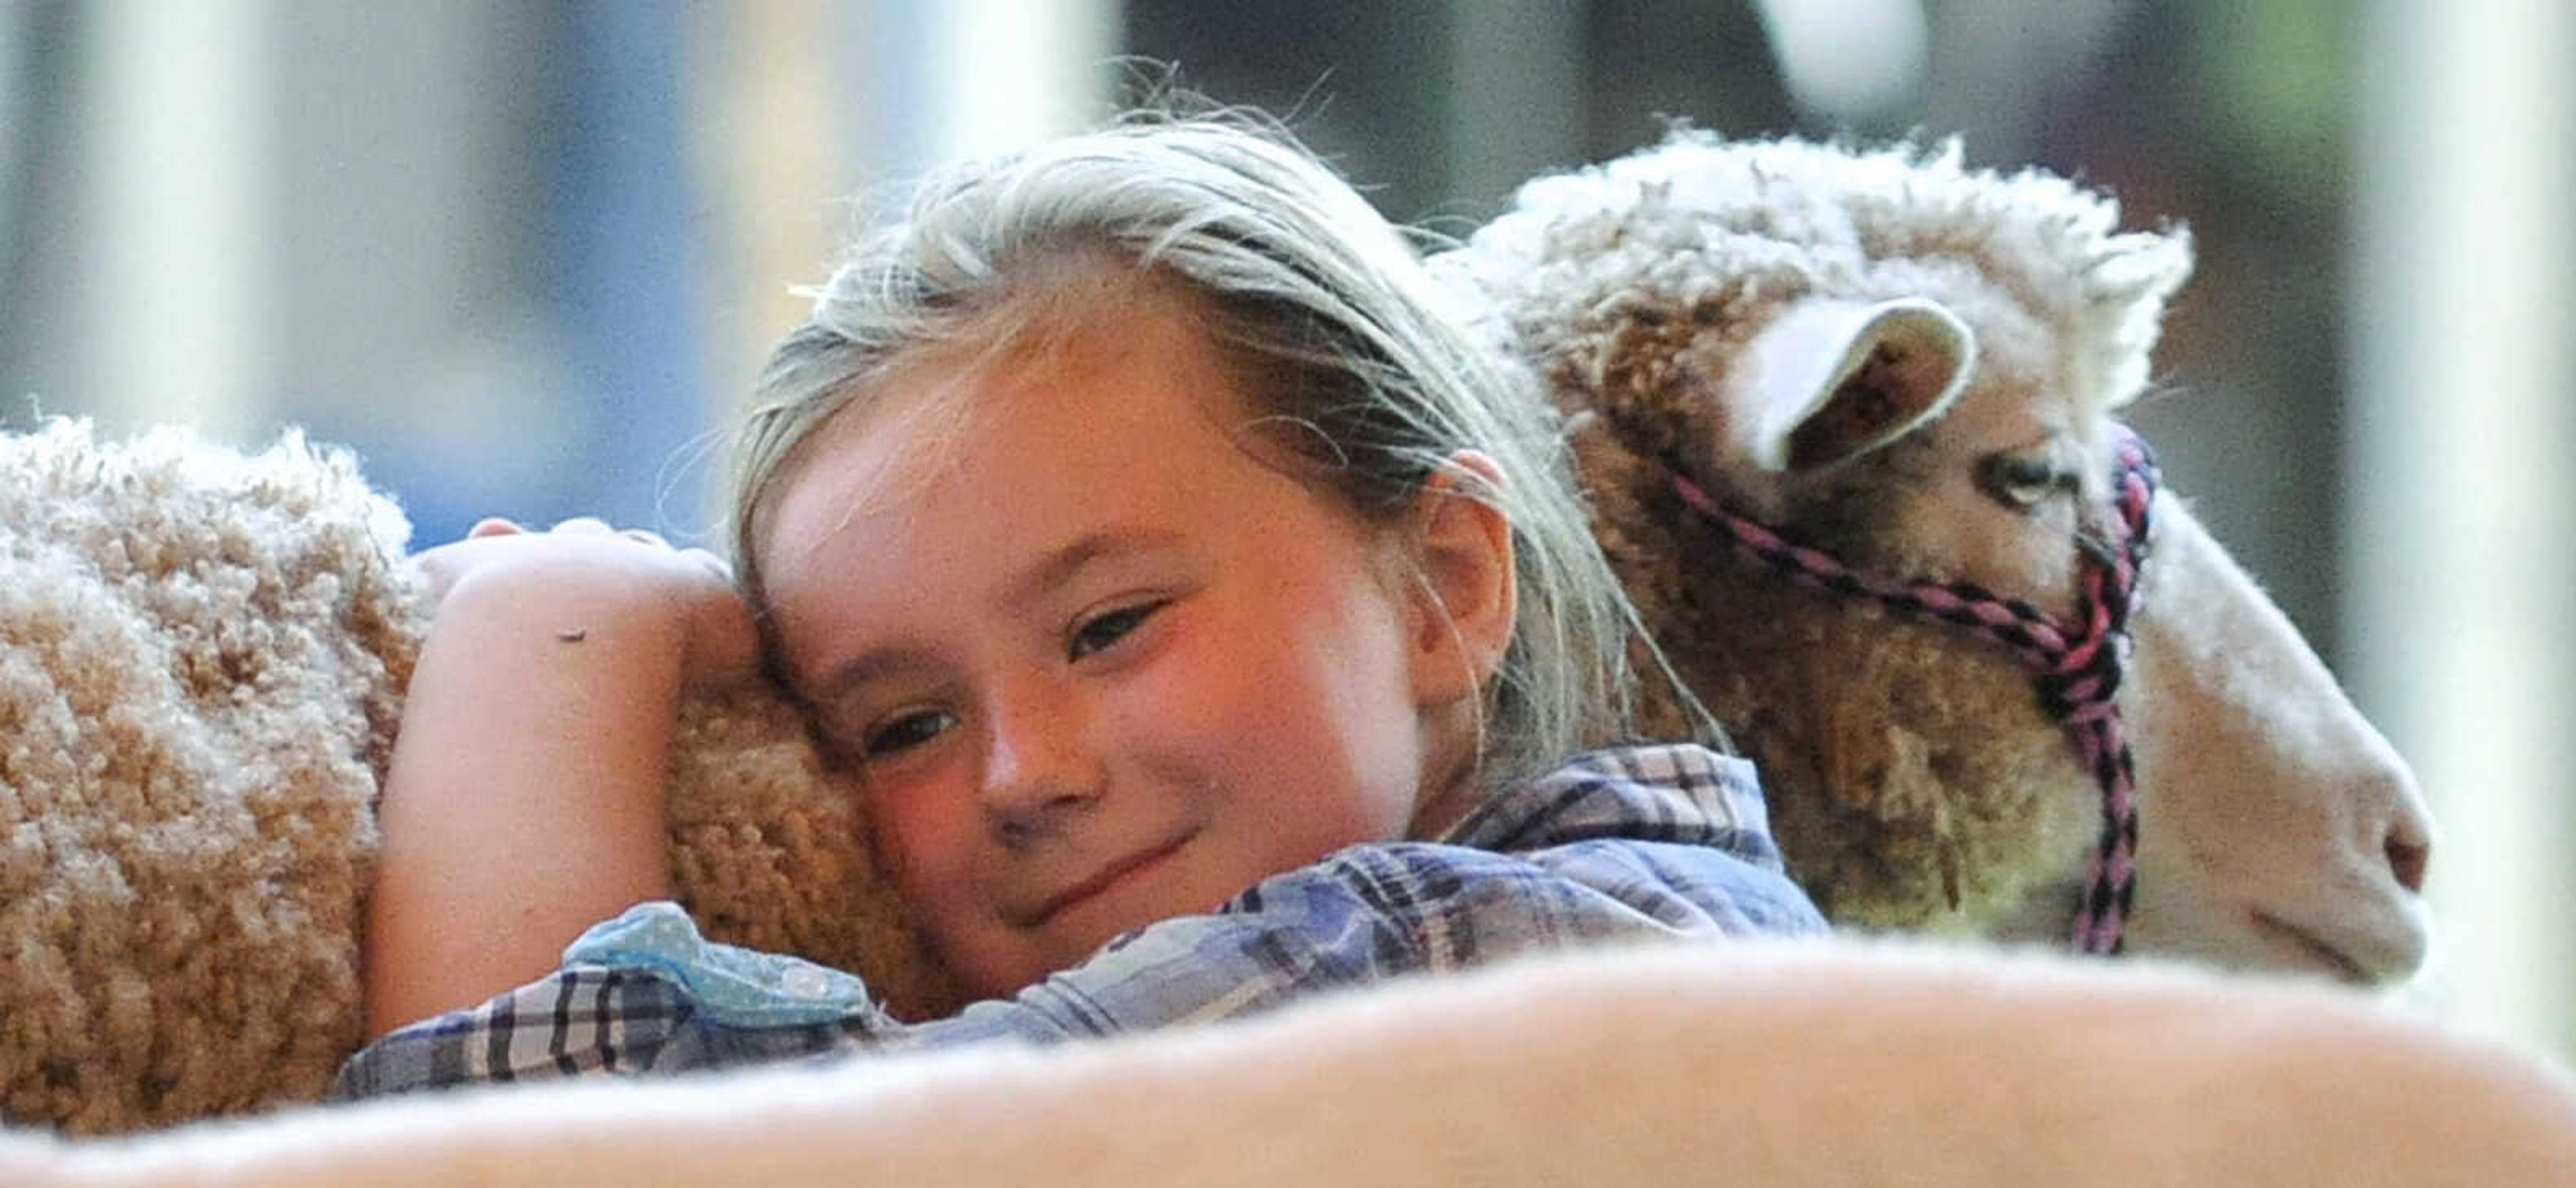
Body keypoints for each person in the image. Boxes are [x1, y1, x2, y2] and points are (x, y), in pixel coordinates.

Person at [338, 110, 1824, 1099]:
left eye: (1110, 627)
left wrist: (554, 622)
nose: (1026, 773)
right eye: (906, 723)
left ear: (1444, 584)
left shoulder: (1464, 956)